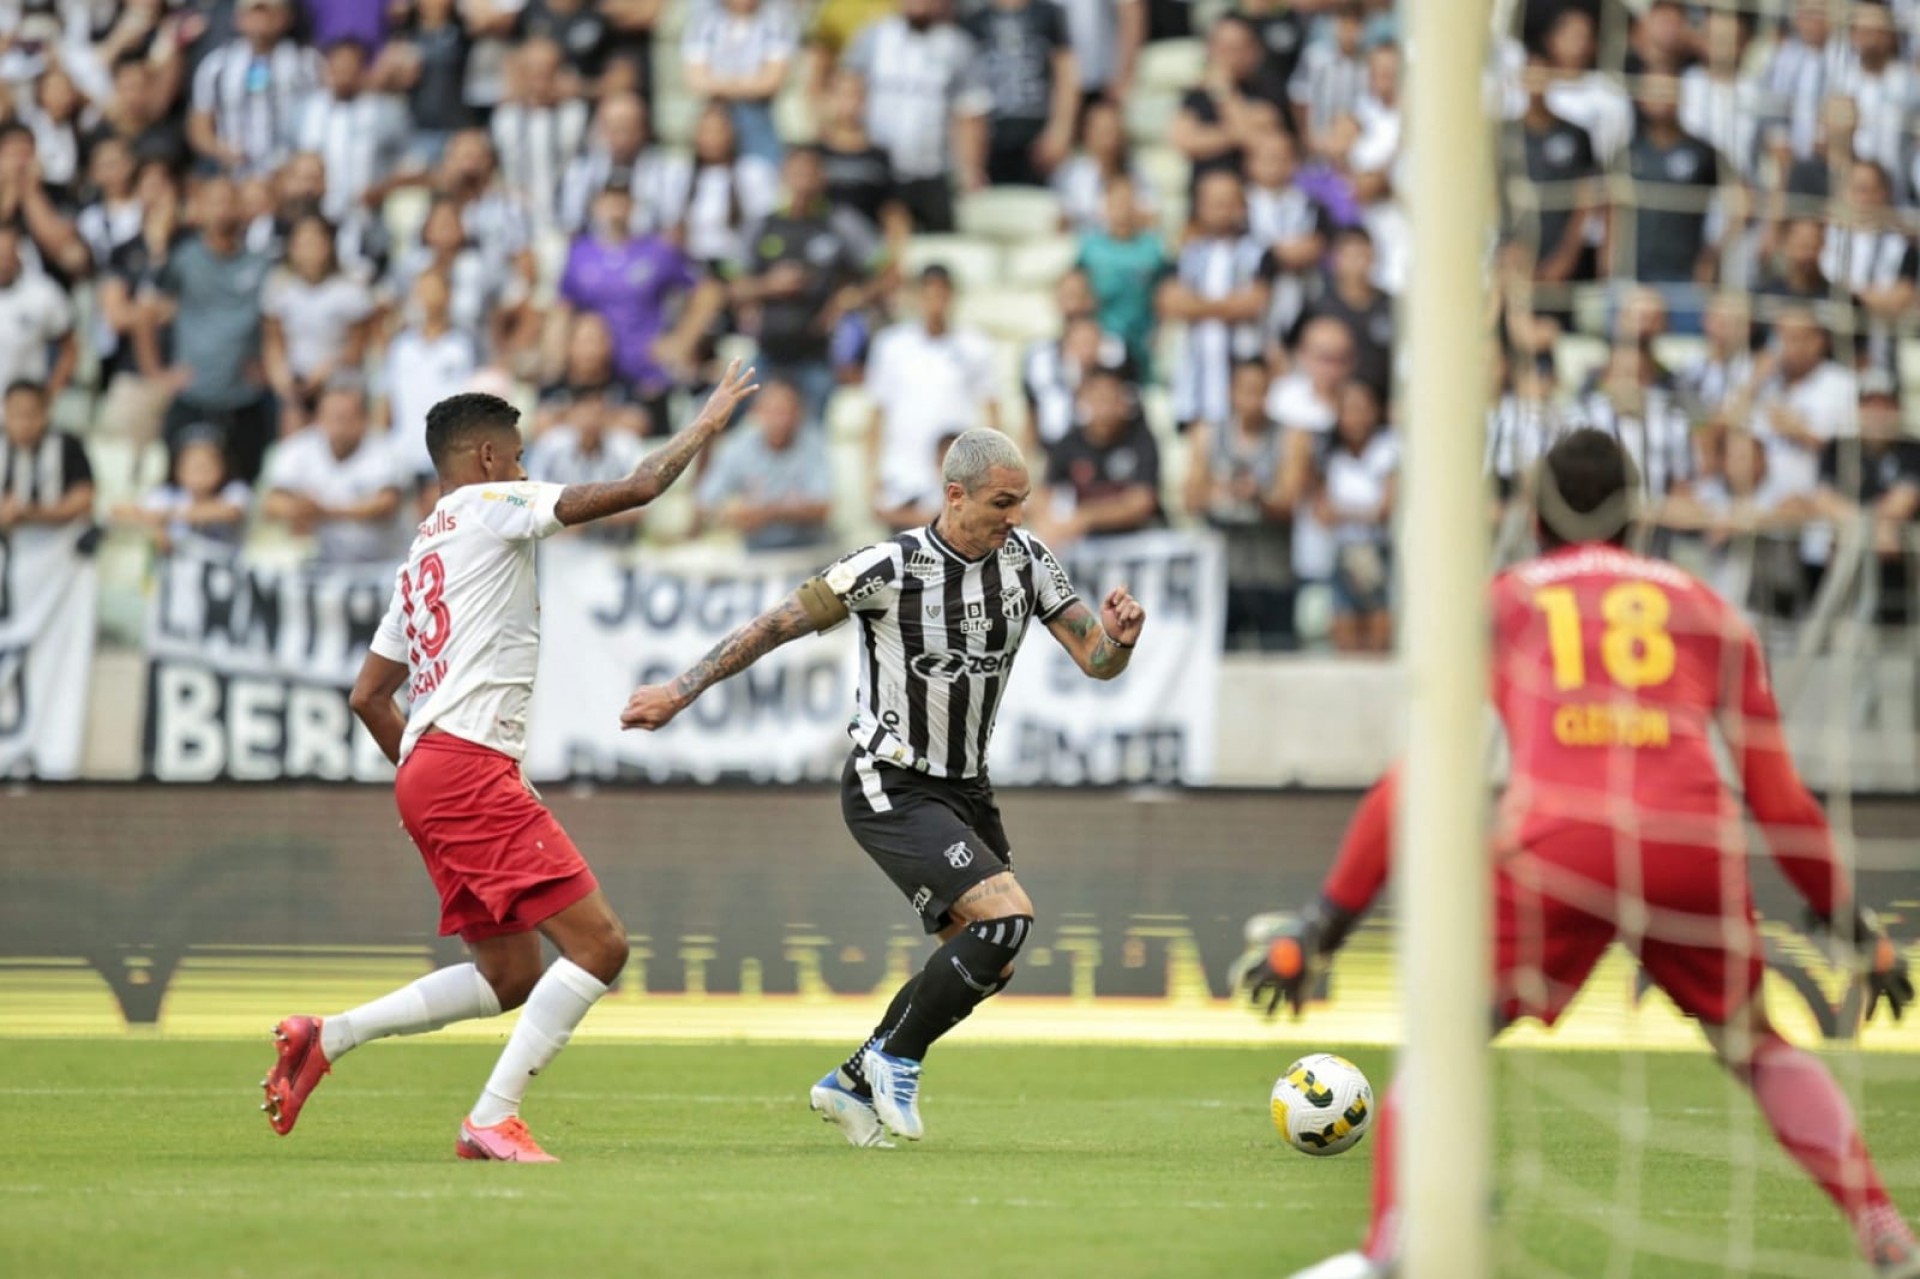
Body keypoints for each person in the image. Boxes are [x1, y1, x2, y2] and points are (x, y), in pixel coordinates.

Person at [1245, 429, 1920, 1279]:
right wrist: (1859, 931)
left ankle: (1391, 1252)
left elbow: (1424, 775)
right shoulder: (1711, 610)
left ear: (1533, 517)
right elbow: (1780, 800)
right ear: (1640, 519)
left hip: (1558, 842)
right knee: (1760, 1046)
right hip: (1690, 843)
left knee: (1444, 1042)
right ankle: (1885, 1230)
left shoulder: (1505, 600)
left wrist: (1324, 924)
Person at [261, 360, 760, 1161]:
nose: (528, 468)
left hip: (427, 765)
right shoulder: (496, 505)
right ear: (489, 460)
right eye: (521, 455)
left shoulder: (421, 554)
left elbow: (367, 695)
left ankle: (329, 1035)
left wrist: (424, 771)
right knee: (601, 946)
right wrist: (703, 425)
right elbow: (637, 489)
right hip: (464, 764)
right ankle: (491, 1117)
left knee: (511, 974)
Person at [618, 426, 1146, 1147]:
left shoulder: (1027, 560)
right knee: (1006, 918)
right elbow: (774, 626)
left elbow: (1096, 660)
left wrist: (1117, 638)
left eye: (1022, 501)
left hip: (967, 788)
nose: (1014, 516)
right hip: (888, 780)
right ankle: (898, 1056)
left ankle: (855, 1074)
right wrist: (680, 691)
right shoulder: (888, 566)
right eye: (1001, 502)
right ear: (954, 494)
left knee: (994, 954)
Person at [695, 378, 835, 552]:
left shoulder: (813, 442)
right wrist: (732, 513)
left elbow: (823, 507)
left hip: (807, 550)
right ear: (756, 412)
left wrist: (767, 513)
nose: (779, 420)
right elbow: (705, 500)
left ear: (800, 413)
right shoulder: (740, 445)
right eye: (772, 411)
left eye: (786, 411)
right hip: (755, 551)